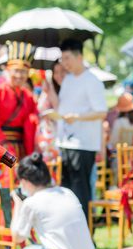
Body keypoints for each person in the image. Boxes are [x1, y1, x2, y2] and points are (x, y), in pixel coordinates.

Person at [46, 40, 108, 216]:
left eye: (67, 58)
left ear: (79, 56)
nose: (64, 63)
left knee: (81, 191)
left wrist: (78, 117)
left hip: (83, 143)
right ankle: (72, 234)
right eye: (62, 58)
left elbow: (101, 112)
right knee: (67, 190)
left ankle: (87, 233)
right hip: (65, 141)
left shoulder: (92, 81)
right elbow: (63, 108)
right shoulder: (68, 80)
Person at [0, 41, 39, 160]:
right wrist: (3, 143)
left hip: (22, 148)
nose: (19, 75)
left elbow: (33, 119)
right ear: (8, 70)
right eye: (16, 71)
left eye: (23, 71)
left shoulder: (28, 96)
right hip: (0, 147)